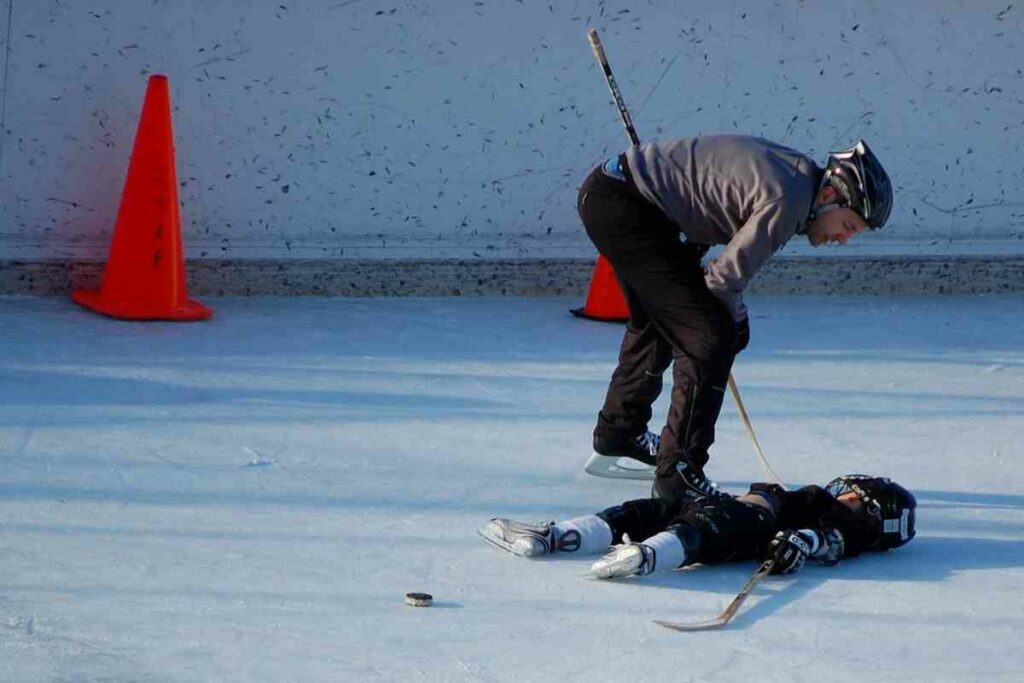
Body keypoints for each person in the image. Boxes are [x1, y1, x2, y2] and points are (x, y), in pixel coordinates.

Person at [579, 135, 894, 503]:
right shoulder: (788, 201)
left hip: (618, 196)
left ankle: (620, 435)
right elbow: (723, 281)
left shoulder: (797, 180)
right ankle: (679, 474)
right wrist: (736, 325)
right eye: (849, 226)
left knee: (661, 319)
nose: (843, 239)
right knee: (709, 338)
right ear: (829, 197)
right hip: (628, 207)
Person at [479, 475, 916, 579]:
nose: (850, 492)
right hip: (730, 509)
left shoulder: (842, 520)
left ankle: (648, 554)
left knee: (696, 526)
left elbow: (834, 540)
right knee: (647, 510)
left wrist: (805, 539)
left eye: (859, 495)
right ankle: (556, 536)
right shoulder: (825, 506)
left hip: (748, 520)